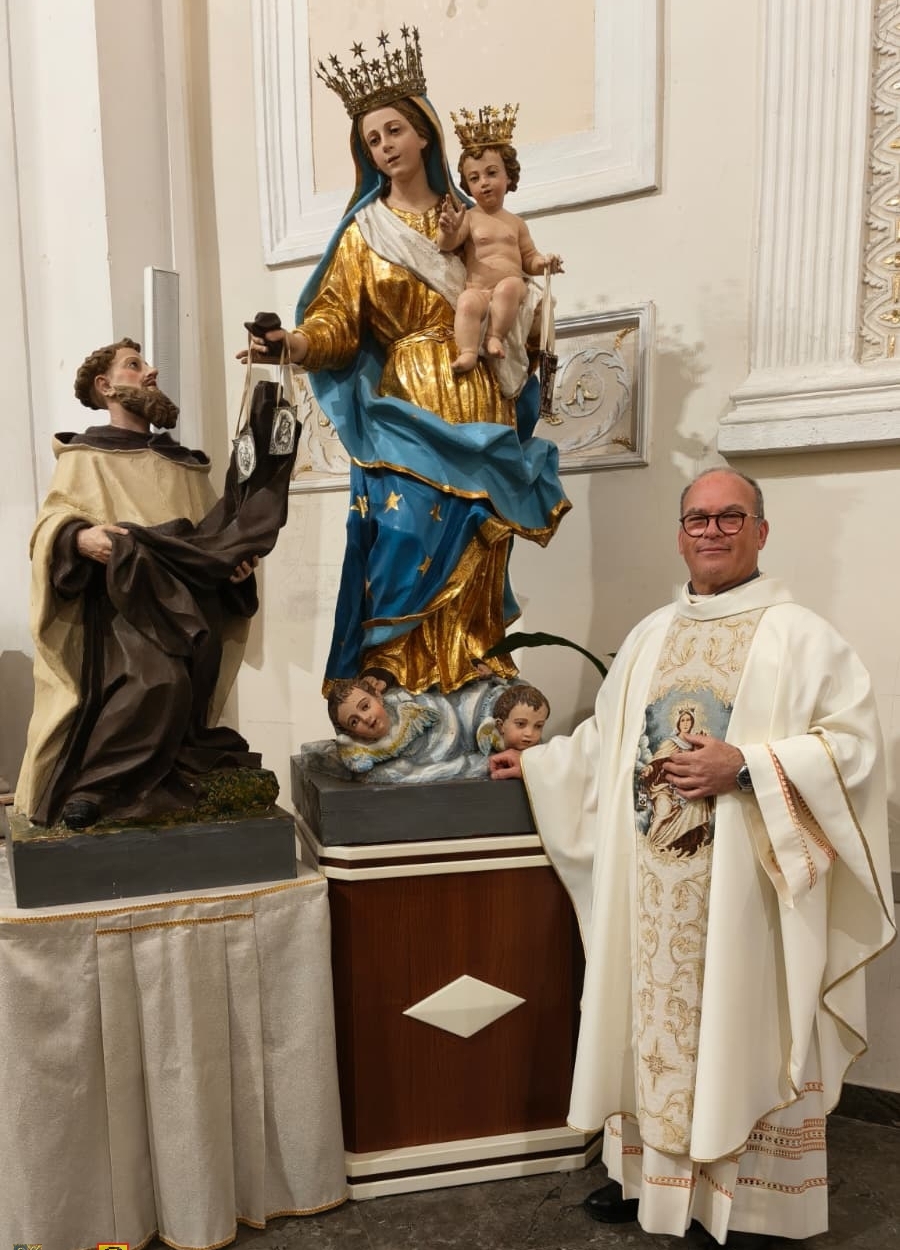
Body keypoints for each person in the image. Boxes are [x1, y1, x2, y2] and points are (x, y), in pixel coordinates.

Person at [490, 468, 896, 1250]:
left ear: (761, 531)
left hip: (749, 896)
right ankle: (648, 1182)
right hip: (654, 893)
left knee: (746, 1032)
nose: (711, 531)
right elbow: (608, 743)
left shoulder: (801, 637)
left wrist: (744, 765)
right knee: (651, 1025)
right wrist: (539, 764)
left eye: (730, 517)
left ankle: (751, 1207)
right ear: (680, 535)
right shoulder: (650, 636)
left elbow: (854, 752)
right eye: (697, 519)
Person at [240, 27, 569, 698]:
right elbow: (337, 323)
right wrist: (291, 344)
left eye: (394, 130)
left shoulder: (473, 219)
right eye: (372, 140)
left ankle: (472, 673)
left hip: (477, 390)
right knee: (400, 530)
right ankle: (394, 678)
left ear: (423, 134)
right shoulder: (365, 234)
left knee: (477, 531)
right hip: (408, 399)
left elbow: (515, 279)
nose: (385, 146)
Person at [15, 339, 293, 830]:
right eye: (134, 365)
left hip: (190, 603)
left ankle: (163, 781)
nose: (151, 371)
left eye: (146, 363)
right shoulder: (84, 457)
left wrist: (234, 567)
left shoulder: (183, 463)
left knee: (186, 692)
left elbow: (212, 538)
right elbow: (49, 527)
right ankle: (94, 789)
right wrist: (79, 537)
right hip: (124, 604)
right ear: (105, 386)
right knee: (157, 681)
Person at [436, 104, 562, 375]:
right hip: (480, 290)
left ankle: (495, 336)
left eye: (491, 173)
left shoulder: (515, 223)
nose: (483, 182)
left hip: (511, 288)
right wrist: (448, 229)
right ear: (467, 185)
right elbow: (446, 245)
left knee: (509, 287)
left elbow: (529, 259)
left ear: (508, 176)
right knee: (466, 302)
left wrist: (544, 263)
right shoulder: (469, 218)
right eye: (474, 178)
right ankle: (468, 351)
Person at [321, 673, 514, 783]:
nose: (366, 718)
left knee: (485, 705)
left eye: (365, 706)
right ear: (350, 733)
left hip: (457, 715)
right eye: (354, 722)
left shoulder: (405, 704)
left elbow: (436, 709)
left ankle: (499, 725)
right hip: (448, 751)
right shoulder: (367, 755)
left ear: (378, 697)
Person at [637, 706, 713, 856]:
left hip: (687, 788)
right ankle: (651, 844)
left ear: (692, 722)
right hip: (665, 786)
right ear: (678, 723)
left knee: (698, 804)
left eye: (688, 720)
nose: (685, 723)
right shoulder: (670, 743)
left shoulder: (696, 742)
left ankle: (689, 846)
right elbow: (657, 762)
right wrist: (649, 769)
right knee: (663, 811)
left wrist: (702, 746)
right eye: (683, 720)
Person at [489, 682, 550, 752]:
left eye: (538, 726)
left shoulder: (541, 752)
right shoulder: (488, 756)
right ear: (500, 726)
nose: (529, 733)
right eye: (521, 724)